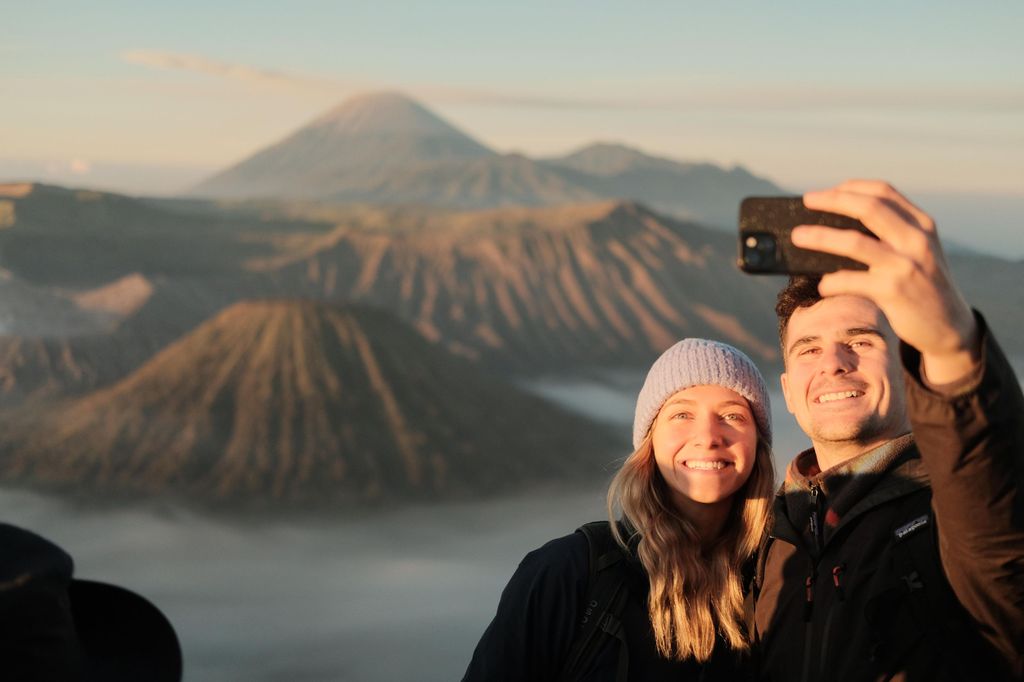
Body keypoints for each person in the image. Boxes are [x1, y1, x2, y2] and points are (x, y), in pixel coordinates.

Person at [750, 180, 1024, 681]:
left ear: (906, 368)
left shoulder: (956, 517)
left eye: (861, 340)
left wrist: (952, 347)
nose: (833, 363)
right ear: (788, 392)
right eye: (809, 348)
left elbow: (996, 518)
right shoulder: (765, 540)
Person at [463, 338, 775, 681]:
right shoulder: (569, 575)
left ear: (757, 443)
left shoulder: (778, 577)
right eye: (681, 414)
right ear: (650, 441)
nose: (707, 436)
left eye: (732, 415)